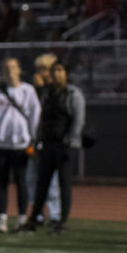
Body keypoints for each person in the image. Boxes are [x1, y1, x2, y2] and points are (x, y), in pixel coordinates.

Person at [0, 57, 40, 233]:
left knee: (21, 182)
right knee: (2, 182)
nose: (10, 71)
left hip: (21, 145)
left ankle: (22, 218)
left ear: (19, 70)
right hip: (0, 144)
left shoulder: (28, 91)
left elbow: (35, 117)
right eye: (6, 68)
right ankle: (2, 219)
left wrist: (34, 141)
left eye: (13, 67)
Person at [25, 61, 85, 235]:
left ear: (66, 73)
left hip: (64, 146)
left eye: (60, 70)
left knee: (63, 184)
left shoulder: (72, 93)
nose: (57, 74)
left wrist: (71, 140)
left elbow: (78, 119)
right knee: (41, 183)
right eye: (54, 71)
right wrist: (37, 142)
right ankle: (34, 218)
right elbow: (42, 119)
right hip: (48, 145)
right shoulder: (49, 93)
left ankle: (61, 221)